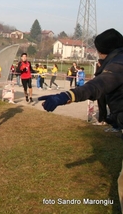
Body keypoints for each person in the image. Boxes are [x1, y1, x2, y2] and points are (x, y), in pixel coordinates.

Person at [38, 28, 123, 209]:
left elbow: (98, 86)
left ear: (102, 50)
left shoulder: (118, 64)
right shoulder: (116, 61)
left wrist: (64, 96)